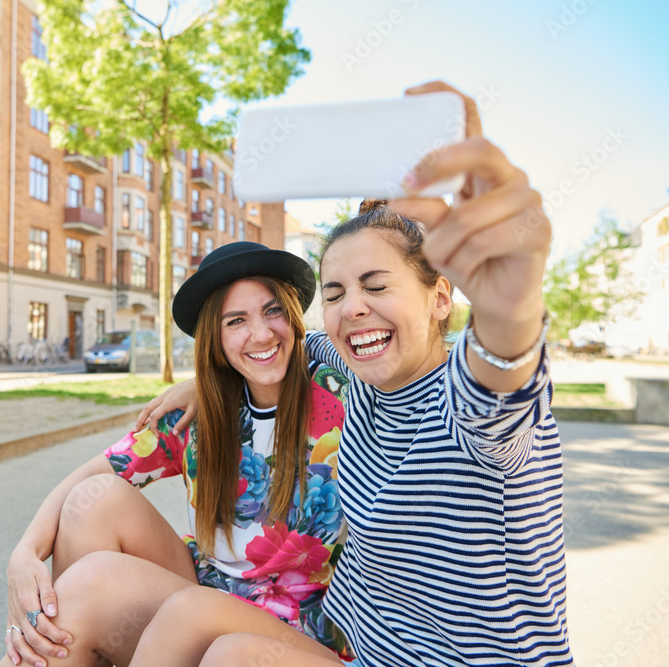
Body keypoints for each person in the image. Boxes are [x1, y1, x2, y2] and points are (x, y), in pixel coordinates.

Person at [132, 81, 574, 666]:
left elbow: (502, 374)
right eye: (336, 293)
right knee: (188, 619)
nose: (353, 308)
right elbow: (286, 345)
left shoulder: (470, 402)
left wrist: (511, 309)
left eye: (377, 285)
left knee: (229, 657)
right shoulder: (352, 364)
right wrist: (211, 377)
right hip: (355, 652)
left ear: (441, 297)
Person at [1, 242, 353, 667]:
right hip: (204, 596)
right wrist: (24, 554)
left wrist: (301, 344)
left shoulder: (343, 398)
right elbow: (93, 471)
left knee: (182, 609)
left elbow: (363, 349)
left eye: (273, 311)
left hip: (295, 628)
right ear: (215, 337)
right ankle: (67, 648)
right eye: (236, 321)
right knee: (91, 502)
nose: (260, 334)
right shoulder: (198, 411)